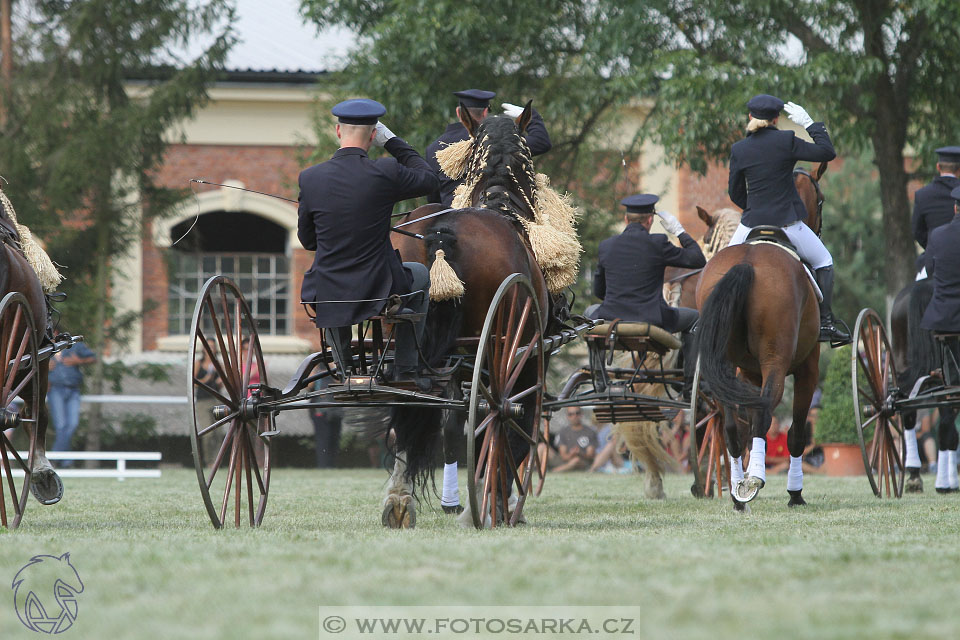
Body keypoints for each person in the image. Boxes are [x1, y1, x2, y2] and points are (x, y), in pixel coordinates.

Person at [297, 98, 438, 386]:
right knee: (421, 274)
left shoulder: (310, 178)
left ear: (338, 131)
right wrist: (393, 142)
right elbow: (429, 178)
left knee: (329, 286)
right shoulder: (386, 172)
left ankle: (344, 367)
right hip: (380, 288)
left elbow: (307, 240)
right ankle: (407, 369)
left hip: (329, 287)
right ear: (373, 136)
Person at [725, 94, 846, 343]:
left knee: (721, 266)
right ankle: (825, 323)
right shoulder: (786, 140)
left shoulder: (739, 149)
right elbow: (827, 152)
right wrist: (810, 124)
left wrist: (754, 210)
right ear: (776, 119)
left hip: (750, 226)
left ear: (750, 117)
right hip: (788, 225)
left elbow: (735, 192)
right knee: (824, 261)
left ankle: (707, 320)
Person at [587, 194, 705, 393]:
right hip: (652, 319)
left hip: (611, 318)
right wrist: (679, 231)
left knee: (590, 312)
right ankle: (689, 385)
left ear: (626, 219)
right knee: (696, 319)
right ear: (650, 220)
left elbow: (599, 291)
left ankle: (599, 378)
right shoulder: (658, 243)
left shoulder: (606, 246)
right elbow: (697, 260)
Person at [425, 89, 552, 206]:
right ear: (485, 112)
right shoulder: (497, 139)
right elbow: (541, 141)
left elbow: (433, 198)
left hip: (449, 220)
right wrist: (532, 116)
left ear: (459, 112)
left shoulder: (433, 149)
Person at [919, 185, 960, 492]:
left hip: (941, 321)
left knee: (948, 385)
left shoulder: (938, 235)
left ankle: (945, 474)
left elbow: (930, 270)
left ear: (955, 208)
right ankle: (948, 473)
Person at [47, 340, 96, 466]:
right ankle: (66, 460)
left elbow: (93, 358)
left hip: (73, 389)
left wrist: (78, 361)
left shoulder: (73, 345)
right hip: (55, 389)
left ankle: (55, 457)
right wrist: (44, 365)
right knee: (61, 425)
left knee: (72, 424)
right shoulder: (44, 347)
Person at [912, 146, 960, 276]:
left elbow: (917, 231)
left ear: (938, 167)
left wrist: (935, 246)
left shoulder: (922, 195)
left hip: (932, 261)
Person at [193, 338, 223, 463]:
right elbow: (194, 383)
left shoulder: (218, 364)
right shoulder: (198, 363)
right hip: (202, 401)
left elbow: (222, 382)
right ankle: (208, 460)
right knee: (207, 433)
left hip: (216, 399)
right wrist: (206, 378)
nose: (210, 349)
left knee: (218, 433)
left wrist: (219, 381)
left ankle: (216, 461)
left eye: (212, 346)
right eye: (207, 346)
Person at [551, 407, 600, 472]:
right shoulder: (563, 432)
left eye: (577, 413)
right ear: (567, 416)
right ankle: (535, 471)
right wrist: (571, 454)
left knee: (576, 460)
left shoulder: (590, 431)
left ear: (581, 414)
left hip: (582, 462)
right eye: (571, 414)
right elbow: (563, 456)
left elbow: (590, 456)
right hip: (565, 461)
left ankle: (554, 471)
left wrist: (579, 453)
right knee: (541, 447)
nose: (574, 416)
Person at [311, 376, 342, 468]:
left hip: (336, 409)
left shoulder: (334, 369)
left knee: (334, 438)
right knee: (323, 439)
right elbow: (309, 386)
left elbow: (339, 381)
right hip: (320, 410)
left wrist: (332, 367)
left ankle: (332, 465)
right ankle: (323, 465)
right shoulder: (316, 371)